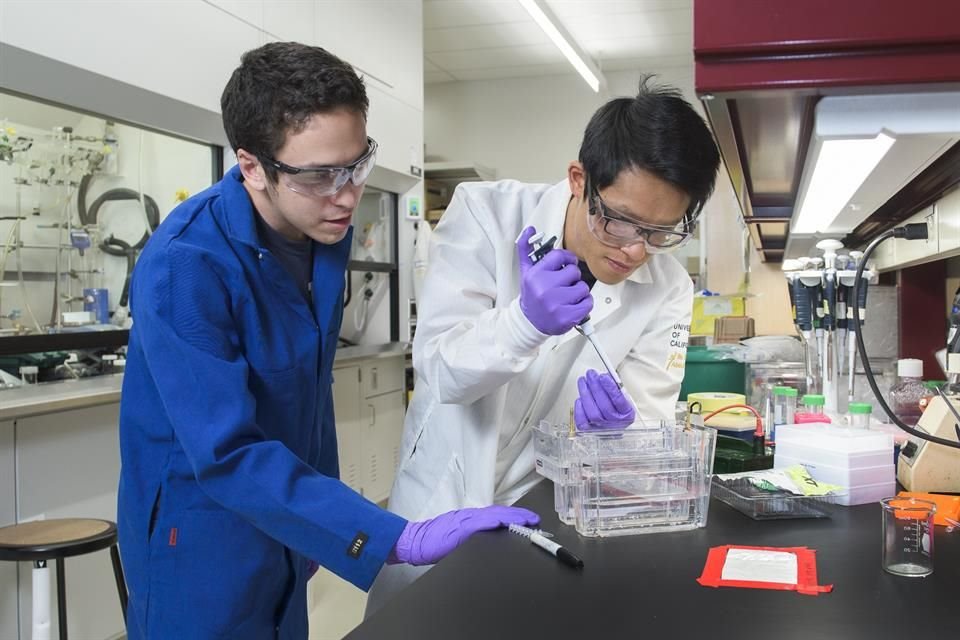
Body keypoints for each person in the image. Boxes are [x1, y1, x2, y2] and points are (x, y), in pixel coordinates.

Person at [116, 42, 538, 639]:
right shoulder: (186, 265)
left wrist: (322, 519)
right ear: (252, 166)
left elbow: (305, 395)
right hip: (202, 536)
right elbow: (226, 452)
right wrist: (392, 536)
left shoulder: (319, 230)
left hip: (287, 515)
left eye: (357, 164)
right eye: (319, 175)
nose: (346, 194)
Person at [366, 77, 721, 614]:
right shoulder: (487, 214)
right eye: (621, 221)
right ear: (580, 179)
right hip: (445, 490)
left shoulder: (668, 287)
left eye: (660, 231)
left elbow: (650, 425)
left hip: (545, 506)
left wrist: (619, 438)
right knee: (418, 620)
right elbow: (441, 374)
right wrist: (524, 324)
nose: (635, 251)